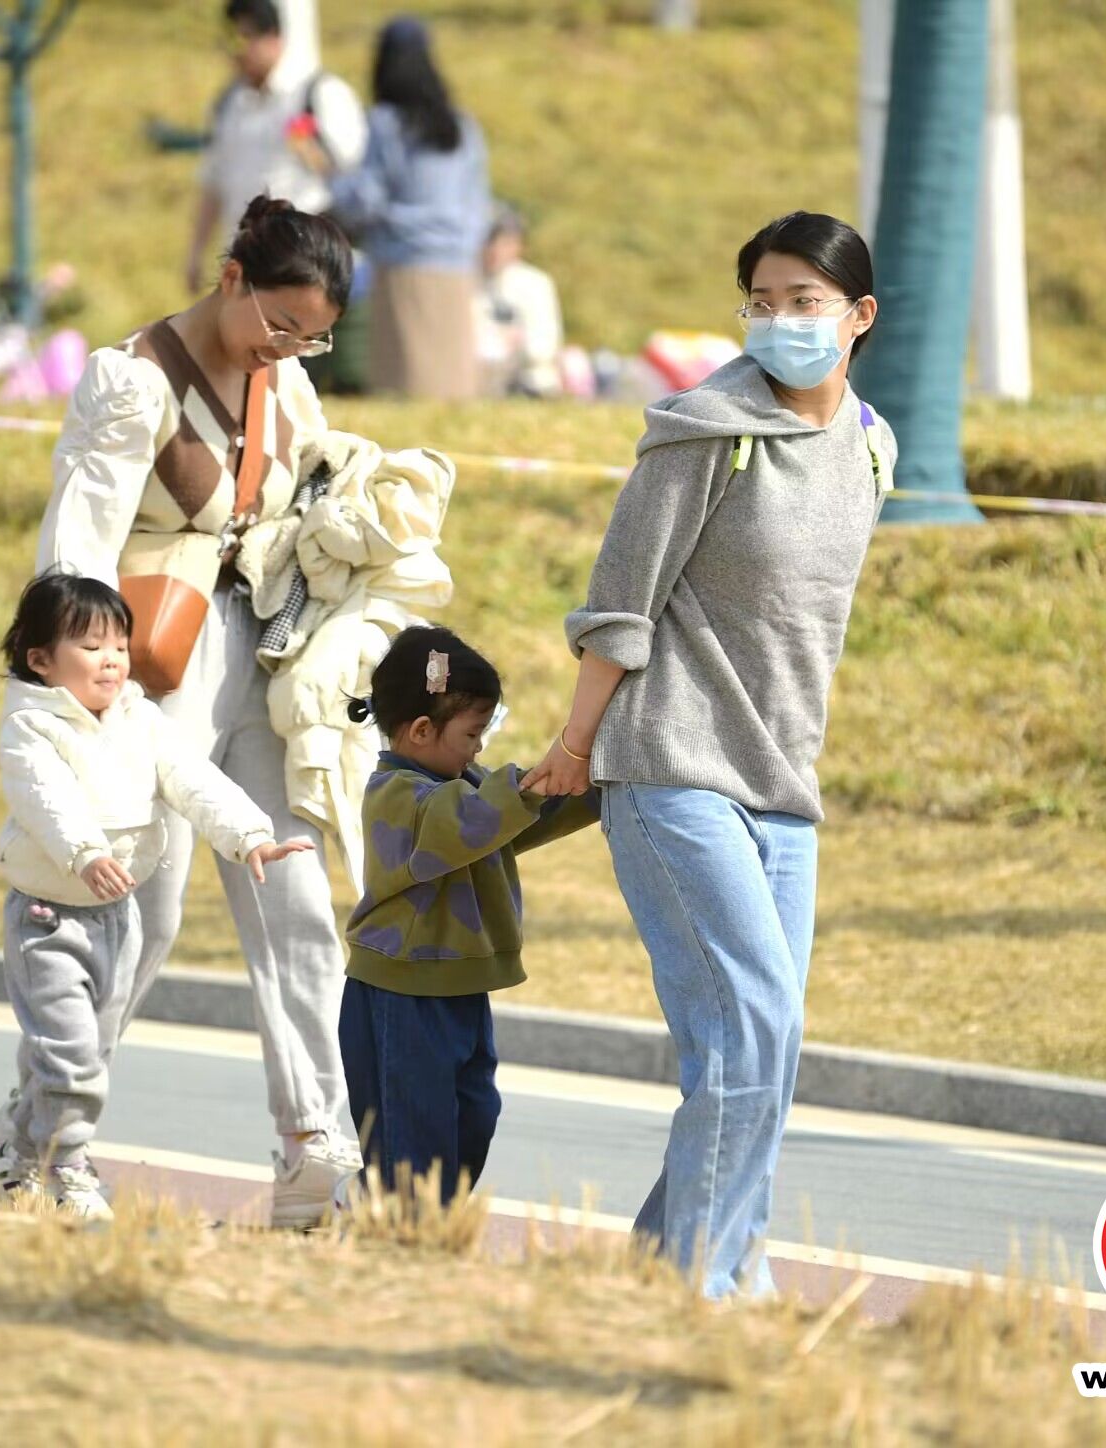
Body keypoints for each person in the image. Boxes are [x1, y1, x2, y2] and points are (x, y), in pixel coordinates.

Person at [522, 211, 896, 1300]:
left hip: (782, 784)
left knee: (757, 1047)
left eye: (805, 301)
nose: (780, 319)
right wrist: (577, 744)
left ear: (859, 316)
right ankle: (715, 1285)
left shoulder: (871, 443)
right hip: (672, 762)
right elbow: (619, 607)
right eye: (762, 300)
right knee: (752, 1019)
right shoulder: (705, 427)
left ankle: (663, 1263)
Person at [16, 195, 363, 1229]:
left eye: (314, 335)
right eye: (278, 324)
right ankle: (41, 1142)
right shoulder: (133, 383)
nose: (292, 347)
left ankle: (316, 1154)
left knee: (293, 890)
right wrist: (80, 696)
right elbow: (76, 547)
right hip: (153, 664)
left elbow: (306, 505)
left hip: (262, 651)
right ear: (231, 279)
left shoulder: (286, 385)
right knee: (140, 913)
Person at [0, 571, 313, 1218]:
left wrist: (249, 838)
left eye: (119, 645)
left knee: (83, 1055)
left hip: (117, 920)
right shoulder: (31, 726)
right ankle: (67, 1170)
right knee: (72, 1058)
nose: (110, 660)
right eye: (89, 646)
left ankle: (16, 1156)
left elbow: (193, 782)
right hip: (47, 921)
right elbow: (44, 799)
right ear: (41, 660)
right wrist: (85, 853)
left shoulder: (142, 719)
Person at [341, 626, 598, 1203]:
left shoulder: (464, 787)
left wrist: (588, 784)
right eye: (473, 734)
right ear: (423, 730)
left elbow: (512, 821)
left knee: (473, 1113)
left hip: (459, 986)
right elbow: (470, 822)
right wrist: (528, 789)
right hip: (400, 993)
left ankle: (409, 1215)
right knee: (413, 1134)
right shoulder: (398, 795)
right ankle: (399, 1230)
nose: (479, 748)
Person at [328, 17, 490, 399]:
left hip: (403, 267)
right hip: (456, 267)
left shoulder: (386, 124)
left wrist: (331, 179)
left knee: (404, 388)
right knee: (450, 386)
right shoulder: (463, 127)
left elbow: (365, 200)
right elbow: (478, 202)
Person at [186, 0, 367, 296]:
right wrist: (196, 251)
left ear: (274, 38)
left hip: (306, 265)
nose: (238, 52)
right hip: (247, 262)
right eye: (231, 40)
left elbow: (349, 172)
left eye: (247, 38)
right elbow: (214, 181)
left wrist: (306, 144)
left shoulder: (318, 92)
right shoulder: (231, 103)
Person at [476, 205, 564, 398]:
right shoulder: (468, 282)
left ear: (519, 246)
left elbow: (545, 345)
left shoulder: (535, 283)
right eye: (490, 243)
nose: (495, 251)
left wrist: (517, 344)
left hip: (529, 383)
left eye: (505, 243)